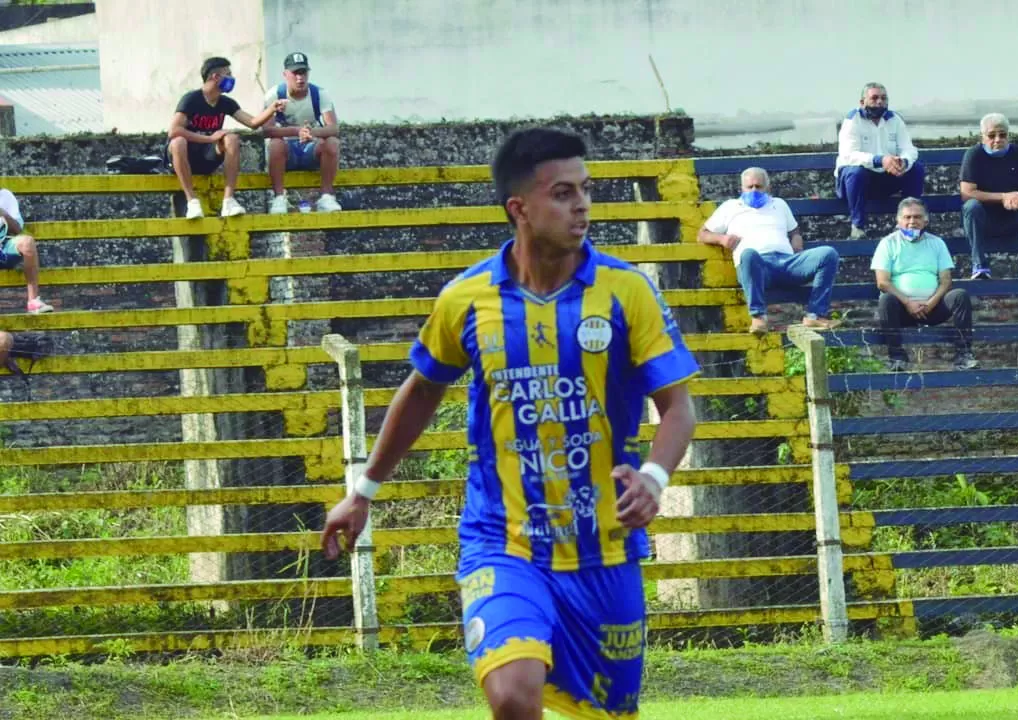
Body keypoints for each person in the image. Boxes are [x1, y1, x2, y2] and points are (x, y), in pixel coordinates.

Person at [321, 128, 699, 720]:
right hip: (503, 541)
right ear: (519, 208)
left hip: (604, 548)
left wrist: (653, 478)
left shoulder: (628, 292)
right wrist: (363, 491)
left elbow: (678, 407)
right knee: (514, 696)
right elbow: (421, 391)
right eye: (563, 193)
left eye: (586, 191)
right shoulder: (467, 299)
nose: (582, 206)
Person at [698, 167, 841, 336]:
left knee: (828, 254)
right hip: (758, 266)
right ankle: (759, 317)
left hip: (787, 264)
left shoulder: (779, 204)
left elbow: (794, 231)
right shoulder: (730, 207)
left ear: (768, 188)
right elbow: (702, 234)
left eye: (758, 186)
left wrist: (796, 241)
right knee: (748, 254)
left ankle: (815, 315)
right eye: (749, 187)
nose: (754, 191)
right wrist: (722, 239)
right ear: (742, 188)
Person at [168, 56, 287, 219]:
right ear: (215, 77)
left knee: (231, 138)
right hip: (185, 156)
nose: (231, 79)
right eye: (228, 74)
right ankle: (192, 202)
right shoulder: (191, 99)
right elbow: (174, 131)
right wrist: (210, 139)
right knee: (178, 142)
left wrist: (272, 109)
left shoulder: (226, 103)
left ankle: (229, 200)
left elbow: (252, 122)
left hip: (206, 157)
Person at [872, 197, 978, 371]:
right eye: (907, 217)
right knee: (886, 299)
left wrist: (930, 303)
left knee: (959, 296)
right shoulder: (888, 243)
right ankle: (896, 356)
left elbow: (946, 281)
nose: (912, 222)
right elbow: (882, 282)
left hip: (933, 308)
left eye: (917, 217)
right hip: (902, 310)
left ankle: (964, 355)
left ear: (926, 220)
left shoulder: (937, 243)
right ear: (898, 221)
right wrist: (908, 303)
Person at [960, 113, 1018, 280]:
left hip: (1015, 216)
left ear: (1008, 135)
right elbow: (967, 193)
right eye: (991, 135)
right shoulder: (973, 155)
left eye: (1002, 134)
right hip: (986, 221)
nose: (997, 139)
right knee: (971, 207)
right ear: (983, 137)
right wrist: (1003, 197)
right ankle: (980, 265)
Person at [835, 82, 924, 239]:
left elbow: (909, 149)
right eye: (874, 98)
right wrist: (880, 160)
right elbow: (848, 155)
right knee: (856, 172)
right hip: (854, 184)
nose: (880, 101)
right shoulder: (852, 120)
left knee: (915, 169)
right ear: (862, 102)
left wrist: (903, 161)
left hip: (884, 178)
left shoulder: (895, 119)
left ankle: (908, 225)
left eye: (883, 98)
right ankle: (858, 227)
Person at [263, 52, 343, 214]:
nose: (300, 78)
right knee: (275, 144)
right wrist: (296, 131)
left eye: (303, 73)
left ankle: (326, 196)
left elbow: (333, 128)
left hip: (310, 147)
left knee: (332, 142)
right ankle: (279, 197)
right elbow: (267, 130)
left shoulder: (319, 94)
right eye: (295, 73)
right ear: (285, 74)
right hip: (286, 150)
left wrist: (311, 133)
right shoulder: (274, 95)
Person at [0, 188, 53, 314]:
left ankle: (33, 301)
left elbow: (17, 230)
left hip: (4, 249)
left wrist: (3, 214)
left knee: (27, 242)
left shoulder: (5, 196)